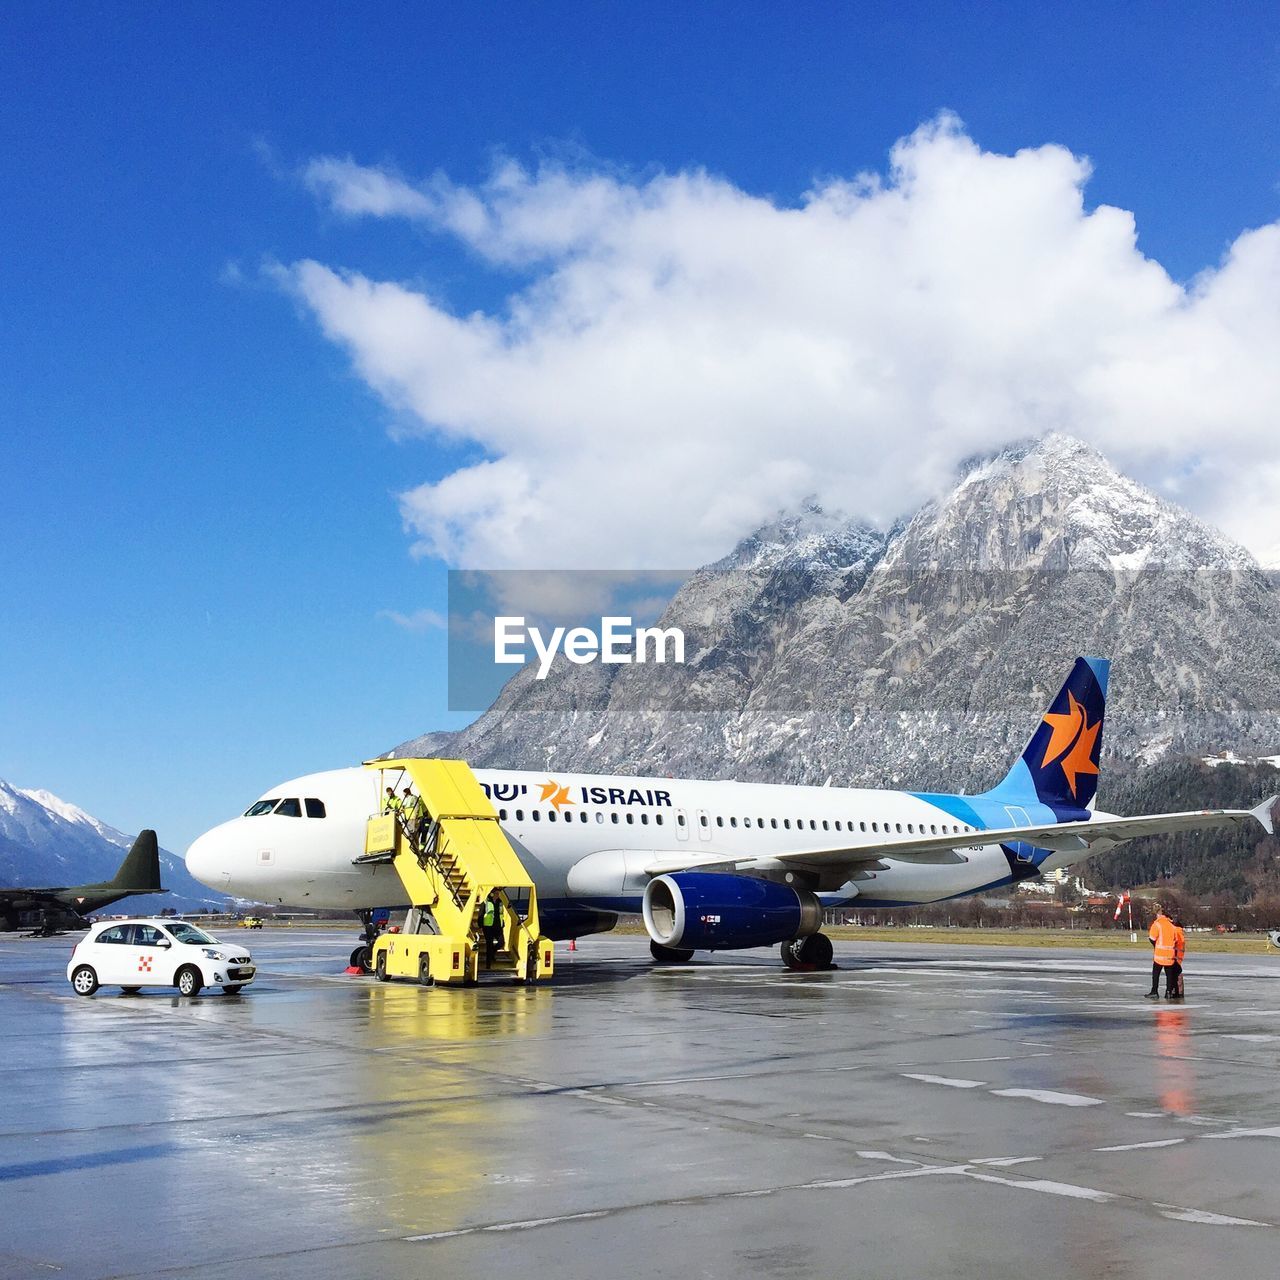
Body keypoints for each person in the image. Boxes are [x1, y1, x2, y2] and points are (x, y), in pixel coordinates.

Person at [1146, 905, 1178, 999]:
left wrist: (1156, 946)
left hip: (1159, 955)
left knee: (1156, 974)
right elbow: (1175, 940)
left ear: (1158, 914)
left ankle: (1154, 991)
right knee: (1169, 975)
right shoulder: (1172, 925)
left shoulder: (1157, 924)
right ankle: (1168, 992)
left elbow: (1152, 938)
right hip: (1170, 955)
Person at [482, 890, 504, 968]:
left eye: (499, 893)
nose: (498, 895)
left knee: (501, 942)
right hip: (488, 927)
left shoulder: (500, 902)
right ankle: (488, 965)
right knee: (489, 945)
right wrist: (481, 925)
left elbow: (501, 914)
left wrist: (502, 924)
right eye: (497, 893)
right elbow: (481, 914)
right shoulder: (486, 902)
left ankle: (492, 953)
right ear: (492, 894)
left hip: (498, 926)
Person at [1169, 917, 1186, 1001]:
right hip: (1179, 957)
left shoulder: (1175, 931)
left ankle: (1175, 992)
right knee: (1178, 974)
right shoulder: (1180, 932)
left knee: (1174, 975)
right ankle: (1179, 992)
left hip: (1175, 957)